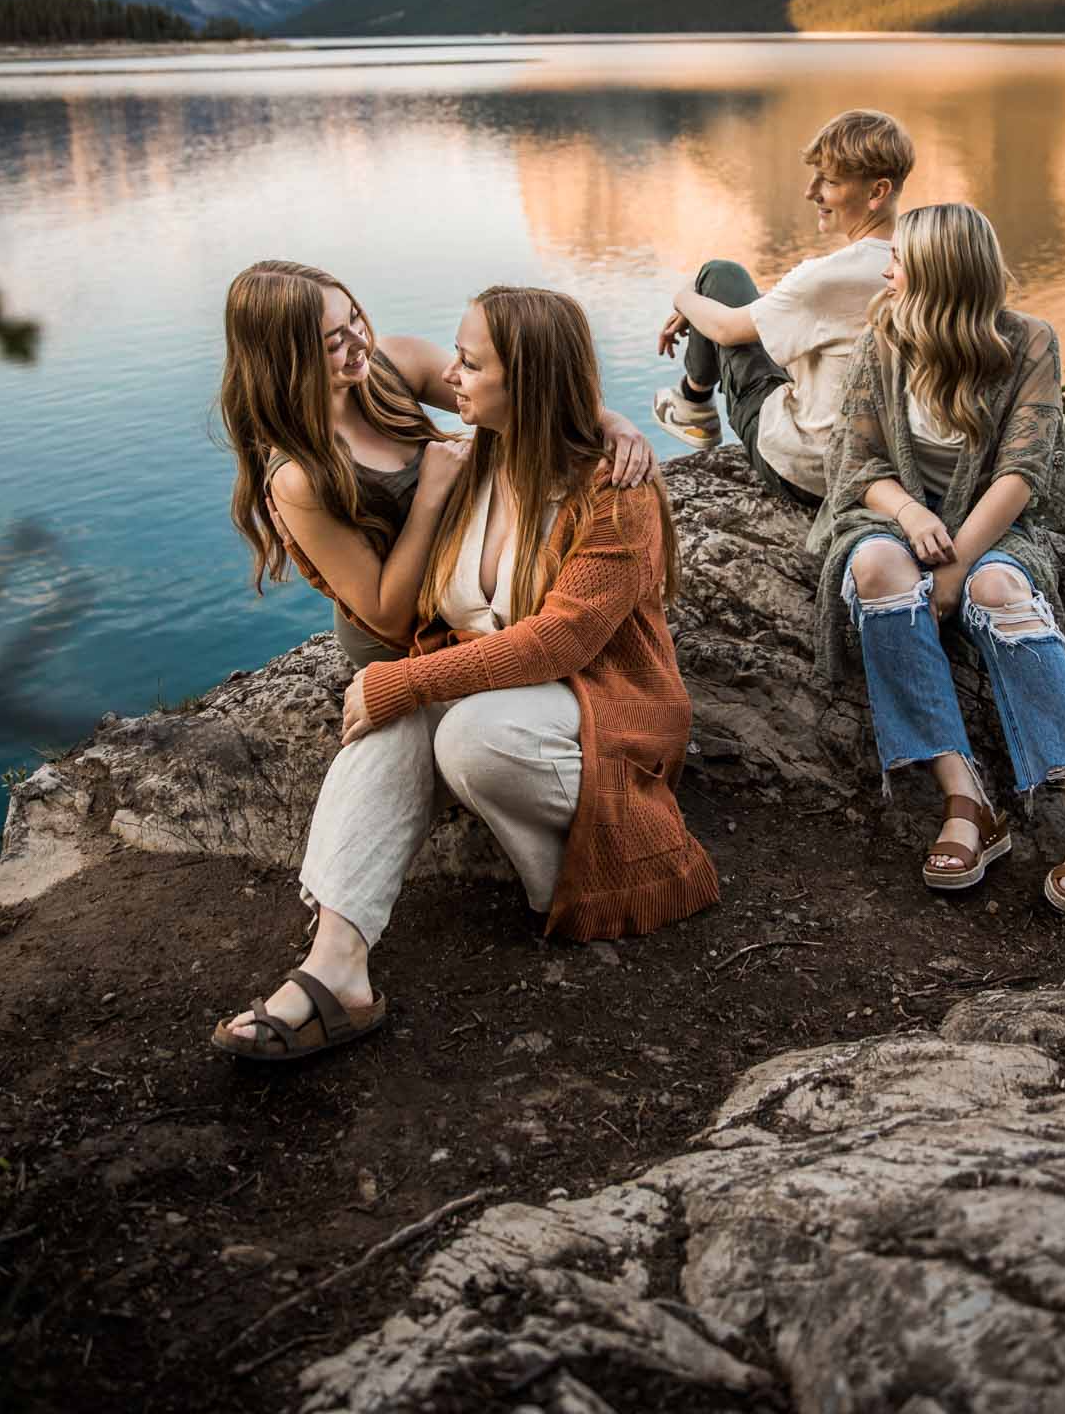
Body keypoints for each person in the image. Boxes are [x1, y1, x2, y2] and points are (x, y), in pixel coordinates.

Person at [213, 284, 718, 1062]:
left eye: (470, 364)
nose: (446, 378)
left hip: (599, 705)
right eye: (455, 354)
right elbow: (401, 620)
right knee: (398, 717)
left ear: (528, 384)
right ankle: (335, 966)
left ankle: (573, 877)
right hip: (507, 696)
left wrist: (612, 421)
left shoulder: (614, 495)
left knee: (461, 726)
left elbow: (560, 643)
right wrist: (400, 687)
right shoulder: (470, 463)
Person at [810, 203, 1065, 917]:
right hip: (892, 516)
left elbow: (1021, 473)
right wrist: (912, 514)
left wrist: (954, 572)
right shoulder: (883, 335)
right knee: (875, 572)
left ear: (938, 275)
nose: (885, 271)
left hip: (992, 524)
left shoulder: (1028, 342)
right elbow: (856, 461)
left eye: (899, 263)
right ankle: (967, 800)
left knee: (1001, 590)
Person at [220, 260, 655, 668]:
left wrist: (610, 423)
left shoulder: (392, 365)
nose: (360, 343)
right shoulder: (299, 476)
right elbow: (385, 616)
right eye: (336, 341)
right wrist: (431, 493)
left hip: (472, 582)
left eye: (354, 318)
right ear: (284, 358)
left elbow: (524, 395)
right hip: (407, 638)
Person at [653, 109, 915, 509]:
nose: (811, 192)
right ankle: (692, 400)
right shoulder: (922, 262)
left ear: (877, 192)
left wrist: (686, 294)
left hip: (806, 471)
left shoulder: (827, 278)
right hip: (886, 473)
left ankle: (692, 401)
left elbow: (725, 330)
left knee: (722, 275)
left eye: (829, 180)